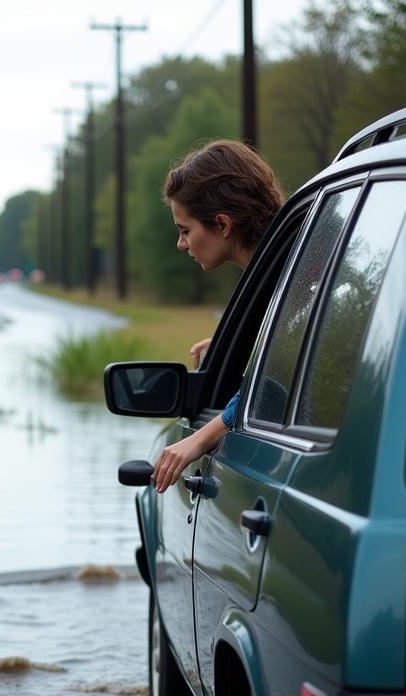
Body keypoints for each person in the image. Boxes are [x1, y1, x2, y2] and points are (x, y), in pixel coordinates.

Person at [151, 140, 284, 493]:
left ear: (222, 224)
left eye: (185, 230)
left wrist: (198, 439)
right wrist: (242, 342)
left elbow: (273, 385)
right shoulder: (283, 271)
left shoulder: (296, 281)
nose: (181, 245)